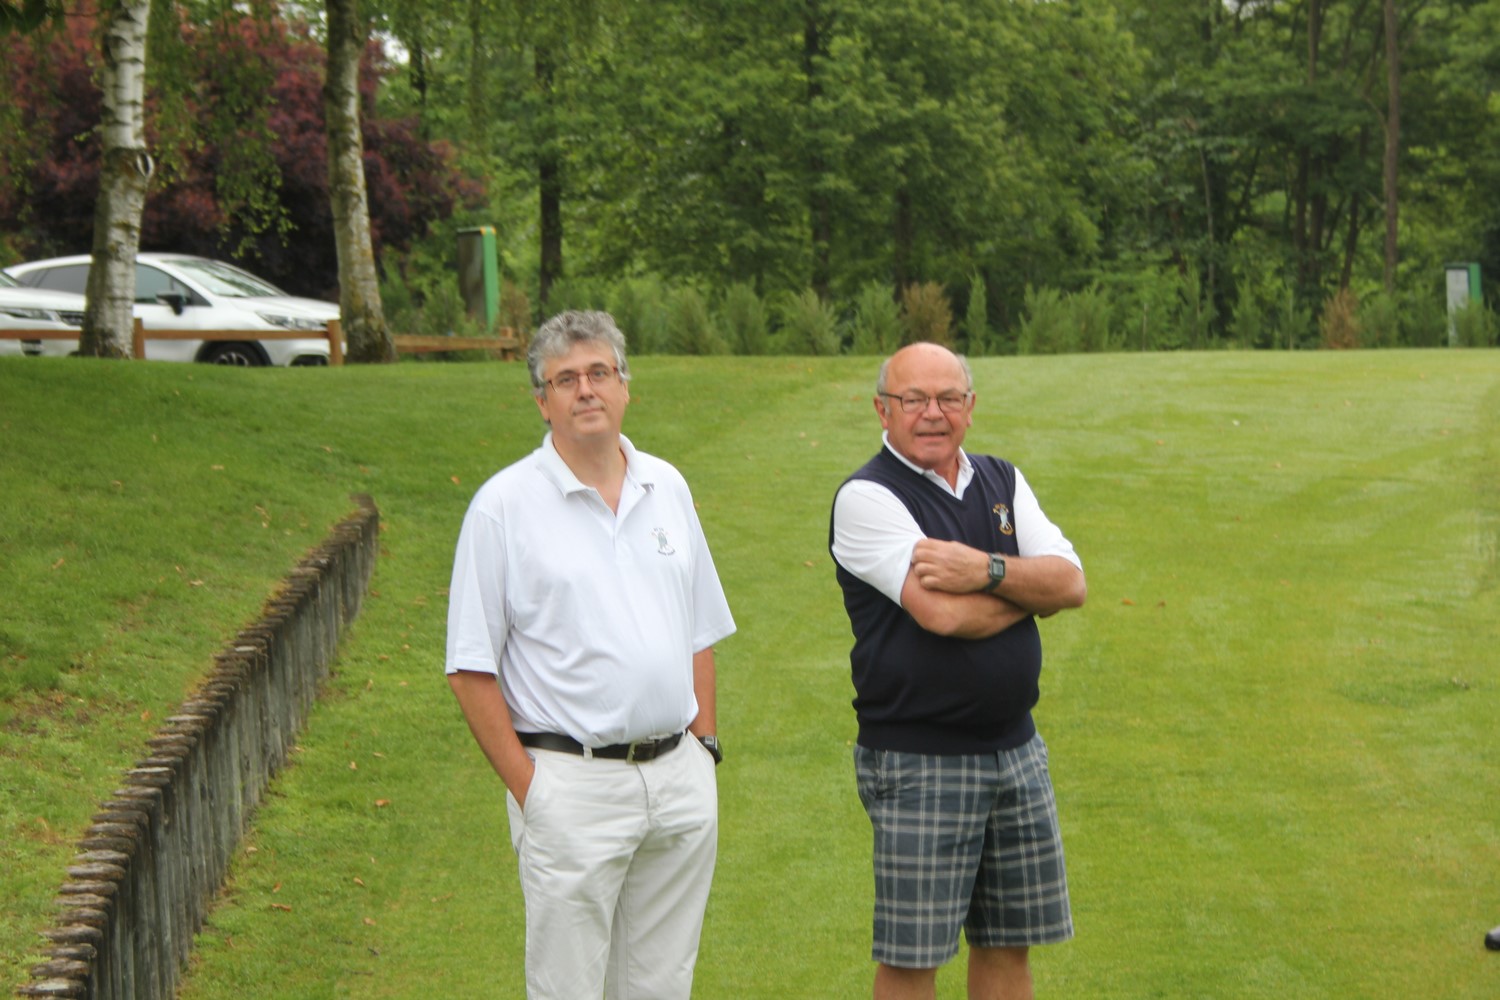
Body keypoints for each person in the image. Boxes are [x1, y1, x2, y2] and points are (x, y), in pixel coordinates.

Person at [445, 310, 735, 999]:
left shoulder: (667, 486)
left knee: (662, 984)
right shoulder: (503, 507)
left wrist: (704, 749)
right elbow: (470, 668)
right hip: (569, 785)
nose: (585, 390)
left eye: (599, 372)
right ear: (541, 401)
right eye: (565, 379)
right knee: (568, 988)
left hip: (678, 781)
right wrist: (533, 791)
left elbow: (698, 630)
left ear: (624, 386)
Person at [829, 342, 1087, 1000]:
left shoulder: (1002, 480)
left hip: (1017, 750)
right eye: (913, 399)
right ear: (882, 411)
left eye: (948, 398)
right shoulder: (867, 497)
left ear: (970, 407)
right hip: (919, 759)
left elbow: (1071, 583)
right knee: (913, 959)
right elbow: (942, 615)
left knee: (1008, 946)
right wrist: (1028, 594)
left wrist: (986, 570)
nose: (932, 413)